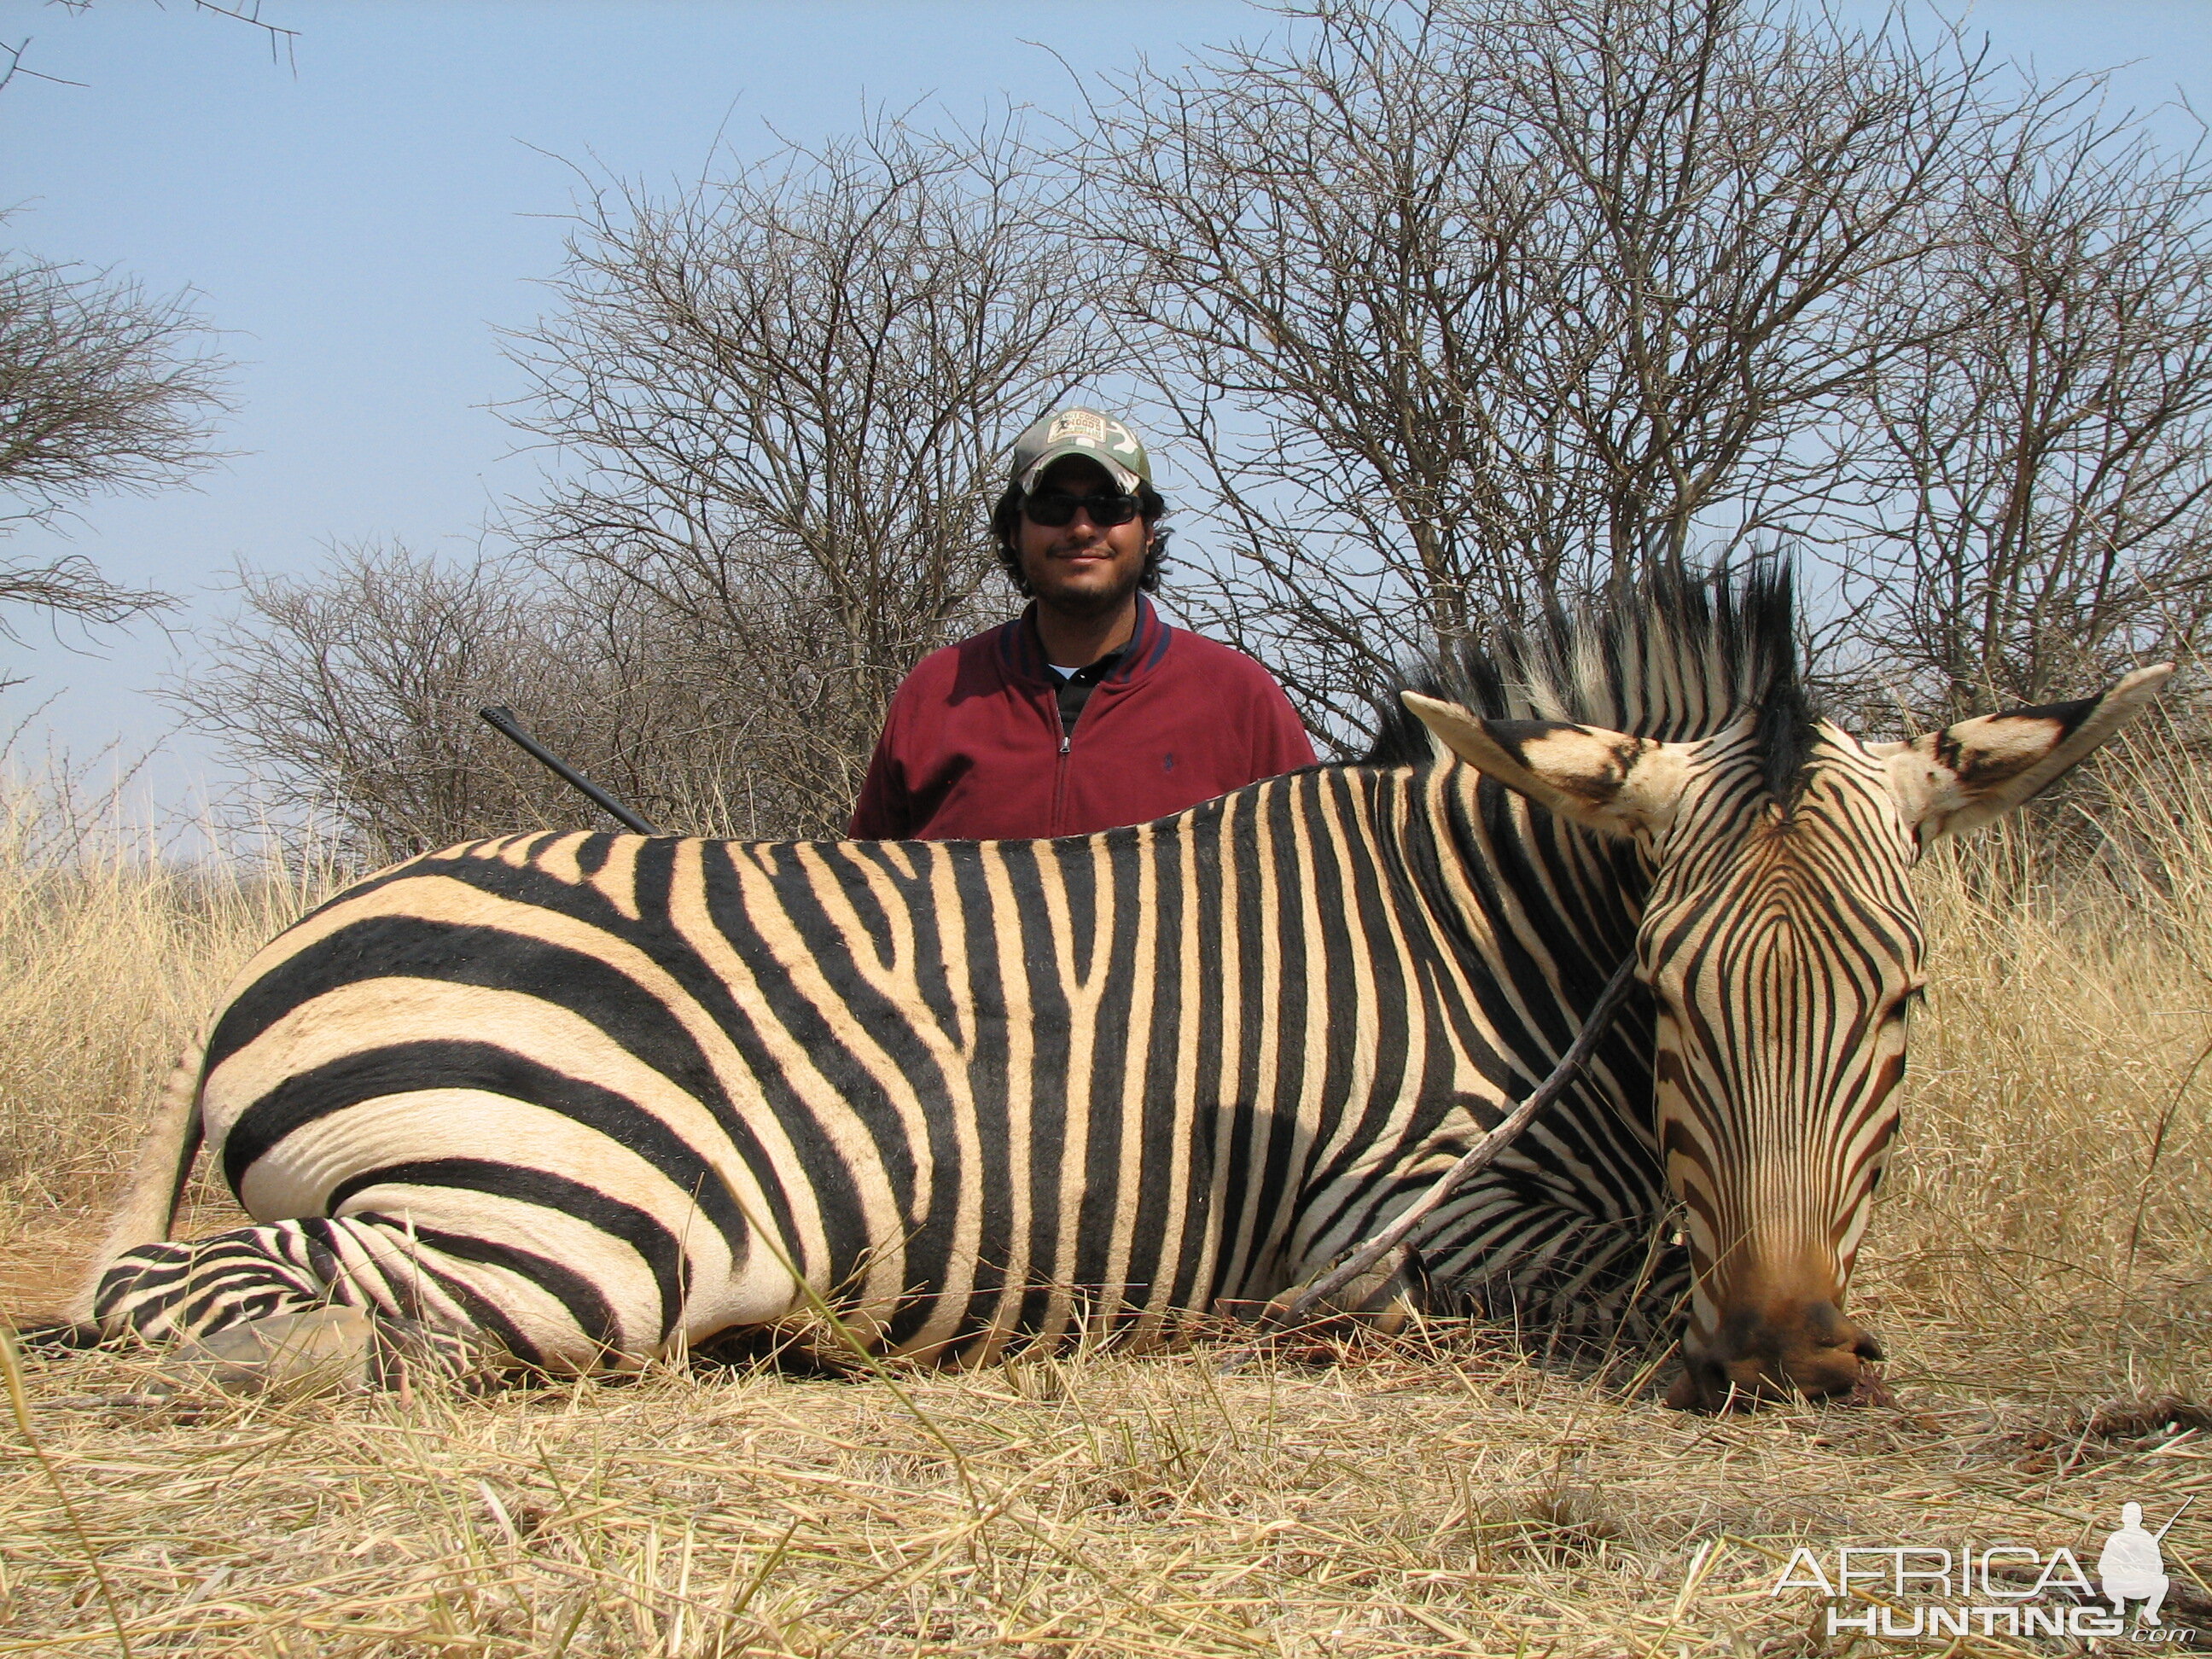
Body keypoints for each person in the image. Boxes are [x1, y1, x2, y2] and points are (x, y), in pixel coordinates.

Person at [850, 406, 1315, 840]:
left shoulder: (1238, 697)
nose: (1081, 528)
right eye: (1053, 507)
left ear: (1148, 530)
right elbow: (863, 892)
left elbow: (1309, 882)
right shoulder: (937, 692)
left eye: (1109, 506)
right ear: (1013, 532)